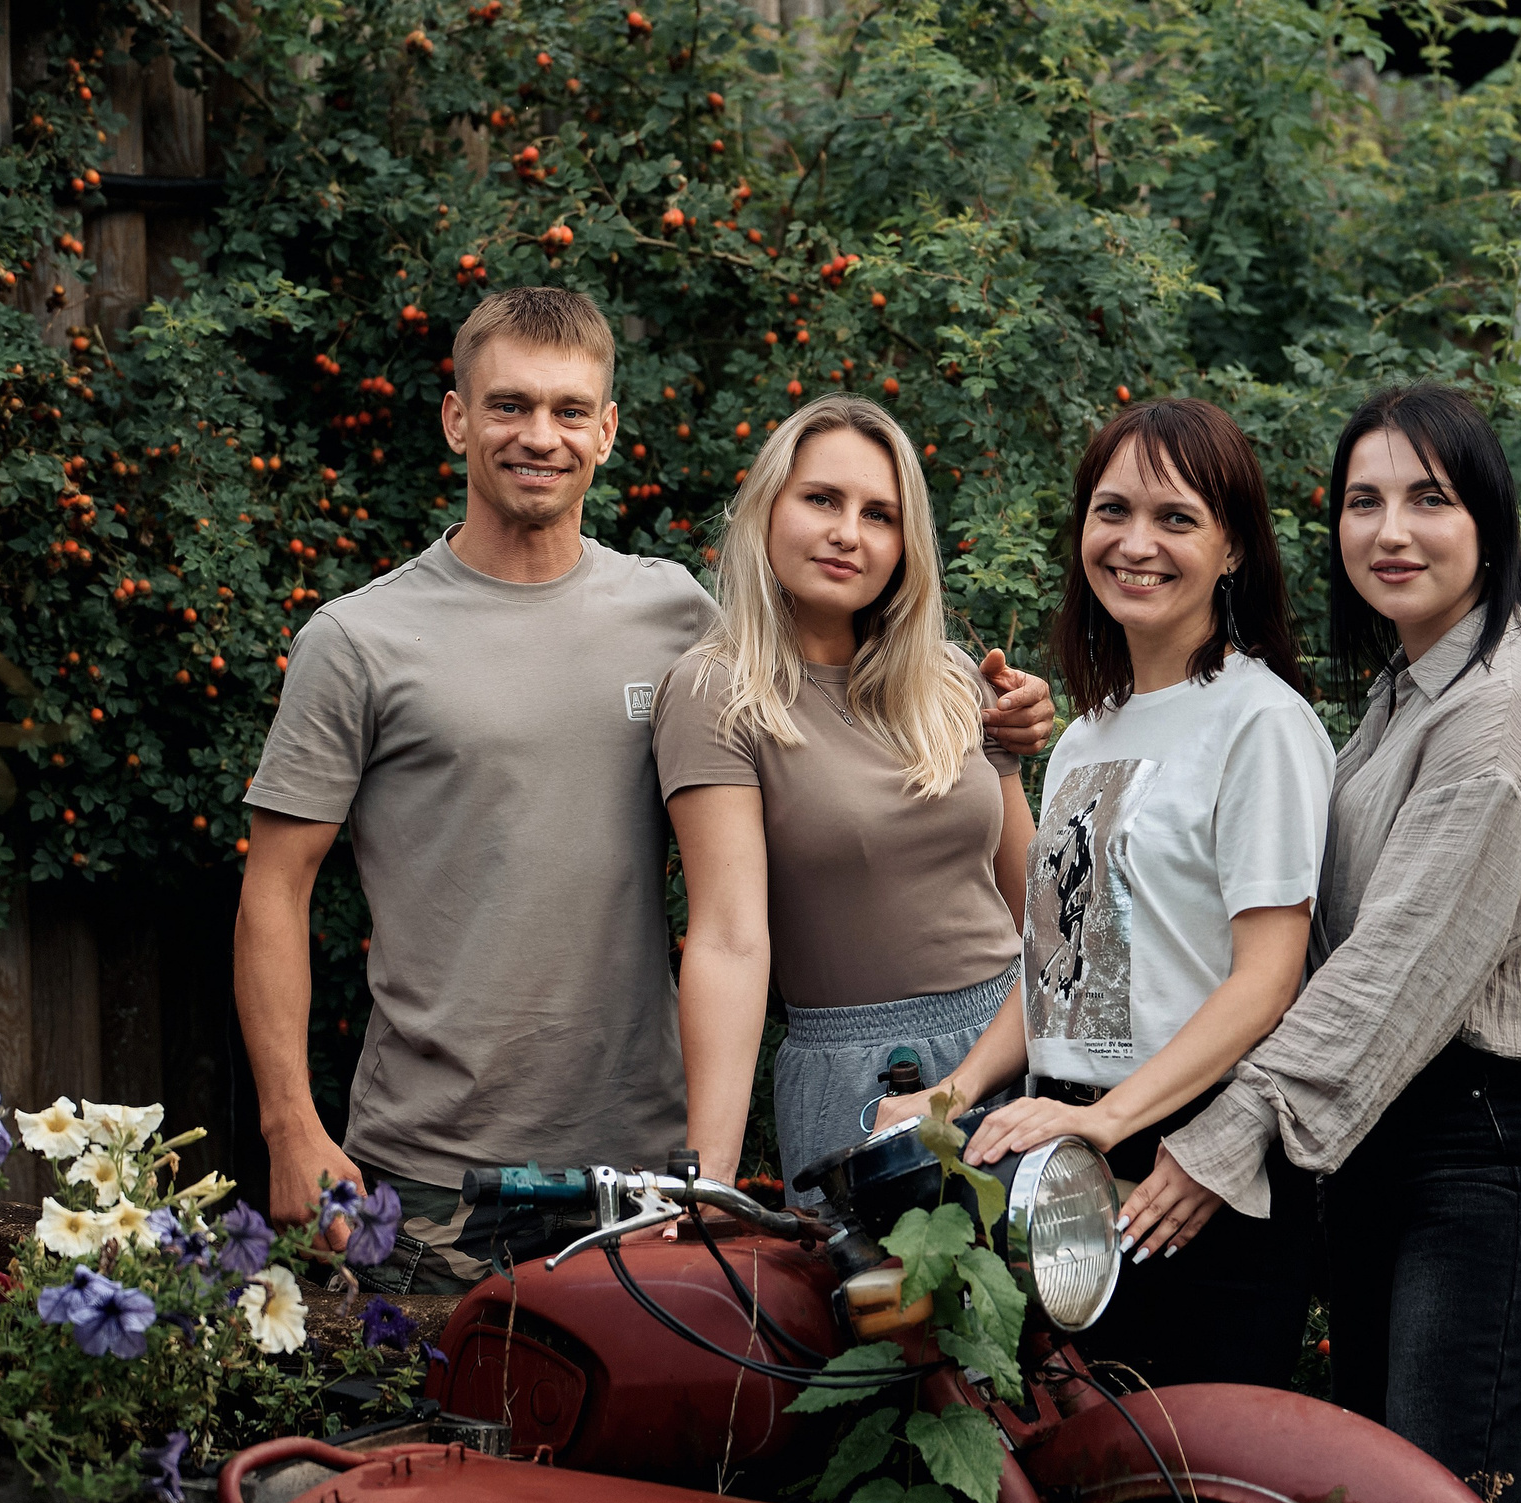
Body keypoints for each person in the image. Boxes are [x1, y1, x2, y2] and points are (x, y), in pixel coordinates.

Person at [233, 287, 1054, 1292]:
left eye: (570, 410)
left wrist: (994, 733)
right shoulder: (358, 641)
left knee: (647, 1443)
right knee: (443, 1437)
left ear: (607, 432)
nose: (541, 435)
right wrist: (289, 1123)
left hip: (641, 1162)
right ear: (456, 419)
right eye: (509, 406)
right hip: (438, 1169)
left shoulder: (672, 614)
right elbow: (274, 889)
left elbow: (827, 736)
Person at [1150, 383, 1521, 1503]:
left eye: (1429, 499)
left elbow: (1387, 971)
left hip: (1494, 1149)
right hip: (1386, 1136)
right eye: (1363, 501)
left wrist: (1227, 1134)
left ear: (1490, 519)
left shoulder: (1503, 720)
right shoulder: (1411, 684)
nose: (1390, 530)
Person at [893, 398, 1335, 1391]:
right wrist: (953, 1097)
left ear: (1232, 551)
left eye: (1175, 519)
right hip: (1063, 1163)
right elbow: (1055, 963)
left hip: (1195, 1167)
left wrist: (1110, 1120)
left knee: (1186, 1496)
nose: (1137, 543)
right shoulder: (1091, 732)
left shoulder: (1262, 723)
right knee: (1075, 1479)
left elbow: (1268, 983)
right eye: (1113, 511)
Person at [655, 394, 1034, 1192]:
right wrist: (709, 1178)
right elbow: (726, 938)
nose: (847, 532)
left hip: (1016, 1047)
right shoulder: (717, 693)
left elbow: (1036, 902)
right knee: (869, 1316)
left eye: (879, 514)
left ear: (905, 544)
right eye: (821, 499)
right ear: (768, 508)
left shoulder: (955, 679)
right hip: (865, 1080)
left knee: (1039, 1312)